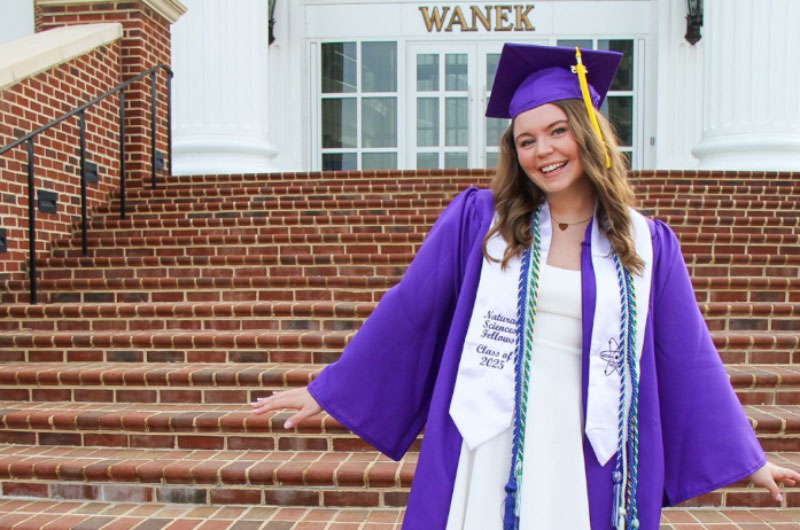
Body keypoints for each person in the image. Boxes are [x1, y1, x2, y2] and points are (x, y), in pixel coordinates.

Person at [251, 43, 799, 530]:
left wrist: (747, 460)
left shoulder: (647, 243)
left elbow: (686, 352)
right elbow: (412, 308)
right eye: (526, 140)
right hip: (491, 431)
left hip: (587, 439)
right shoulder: (479, 222)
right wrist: (330, 389)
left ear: (588, 134)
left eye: (558, 131)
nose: (544, 151)